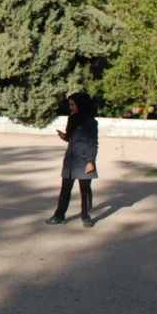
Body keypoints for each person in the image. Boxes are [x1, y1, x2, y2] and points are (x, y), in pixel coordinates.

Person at [46, 92, 99, 228]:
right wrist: (64, 137)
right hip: (71, 159)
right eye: (70, 104)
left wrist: (91, 161)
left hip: (85, 160)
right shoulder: (72, 119)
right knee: (65, 189)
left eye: (73, 104)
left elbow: (93, 143)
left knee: (85, 190)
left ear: (81, 104)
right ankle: (59, 215)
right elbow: (70, 138)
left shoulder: (91, 122)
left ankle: (86, 216)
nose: (70, 107)